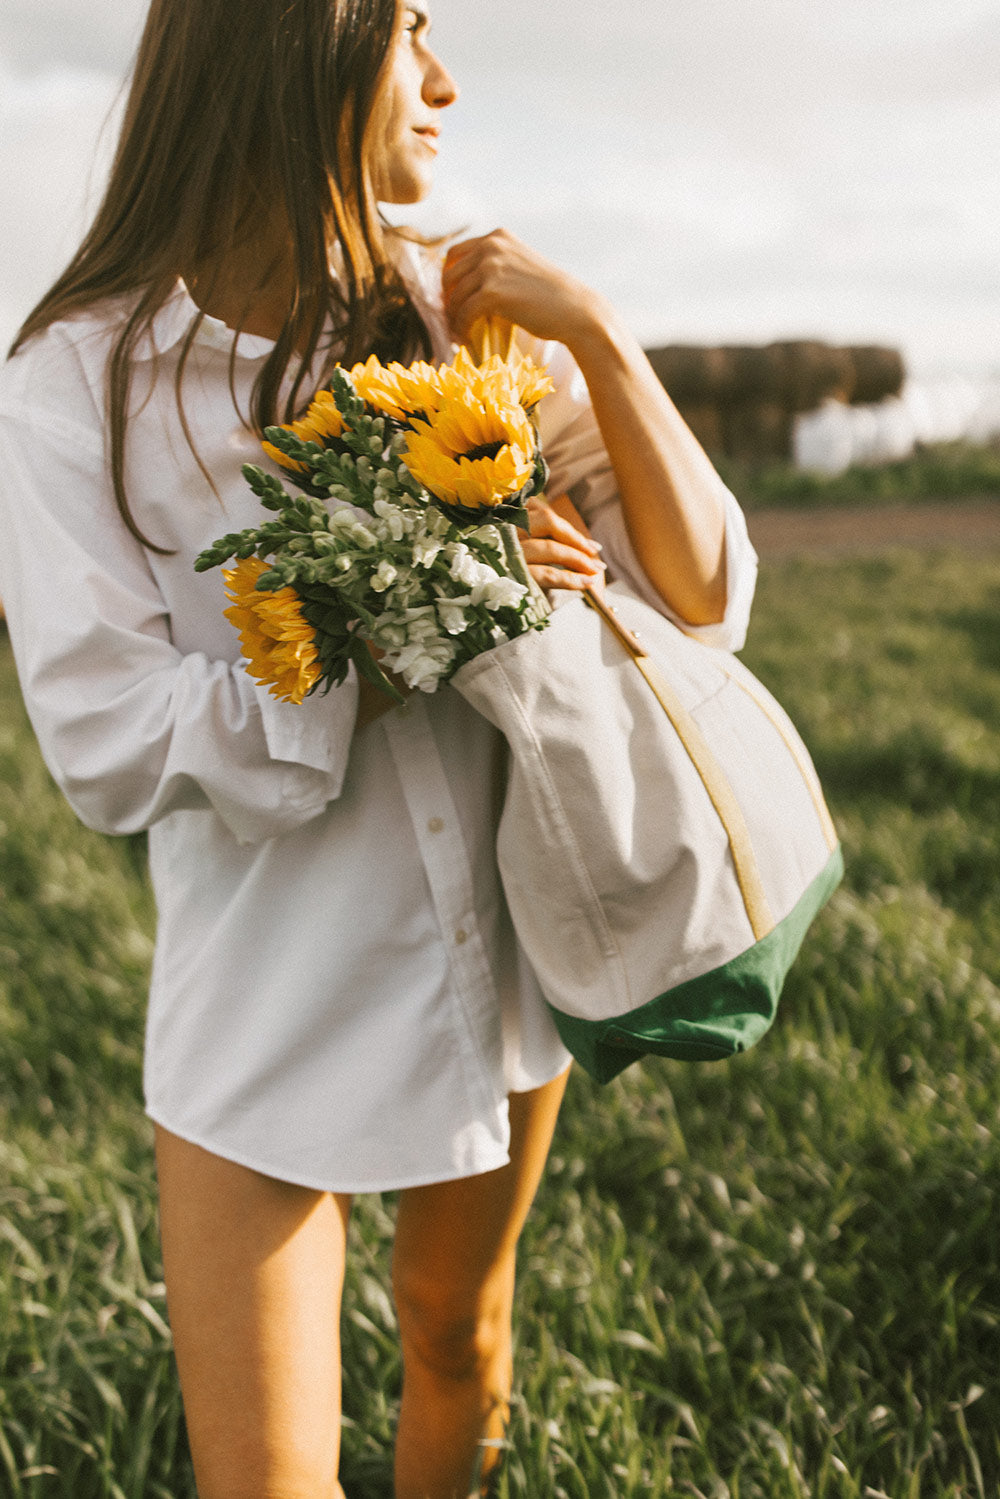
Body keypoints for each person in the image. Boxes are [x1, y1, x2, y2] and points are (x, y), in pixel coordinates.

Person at [0, 1, 758, 1495]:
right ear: (297, 44)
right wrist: (396, 633)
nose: (445, 81)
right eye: (409, 28)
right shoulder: (79, 379)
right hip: (264, 1009)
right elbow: (106, 739)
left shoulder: (460, 314)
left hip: (506, 955)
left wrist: (594, 329)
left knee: (458, 1343)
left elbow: (702, 595)